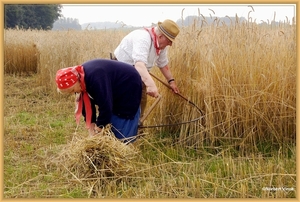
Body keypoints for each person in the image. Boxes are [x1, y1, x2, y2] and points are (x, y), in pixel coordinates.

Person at [55, 59, 142, 143]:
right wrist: (92, 127)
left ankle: (125, 144)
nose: (74, 93)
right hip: (113, 87)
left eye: (73, 90)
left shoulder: (95, 78)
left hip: (128, 84)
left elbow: (106, 105)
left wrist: (99, 127)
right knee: (108, 124)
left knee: (121, 124)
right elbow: (87, 104)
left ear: (76, 81)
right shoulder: (80, 80)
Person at [113, 19, 180, 117]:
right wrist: (151, 85)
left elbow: (162, 63)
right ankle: (117, 128)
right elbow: (139, 65)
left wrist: (171, 81)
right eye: (169, 41)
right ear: (161, 36)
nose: (170, 44)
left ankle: (137, 128)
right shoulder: (143, 38)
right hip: (121, 71)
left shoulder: (161, 45)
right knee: (123, 104)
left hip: (138, 72)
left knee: (141, 103)